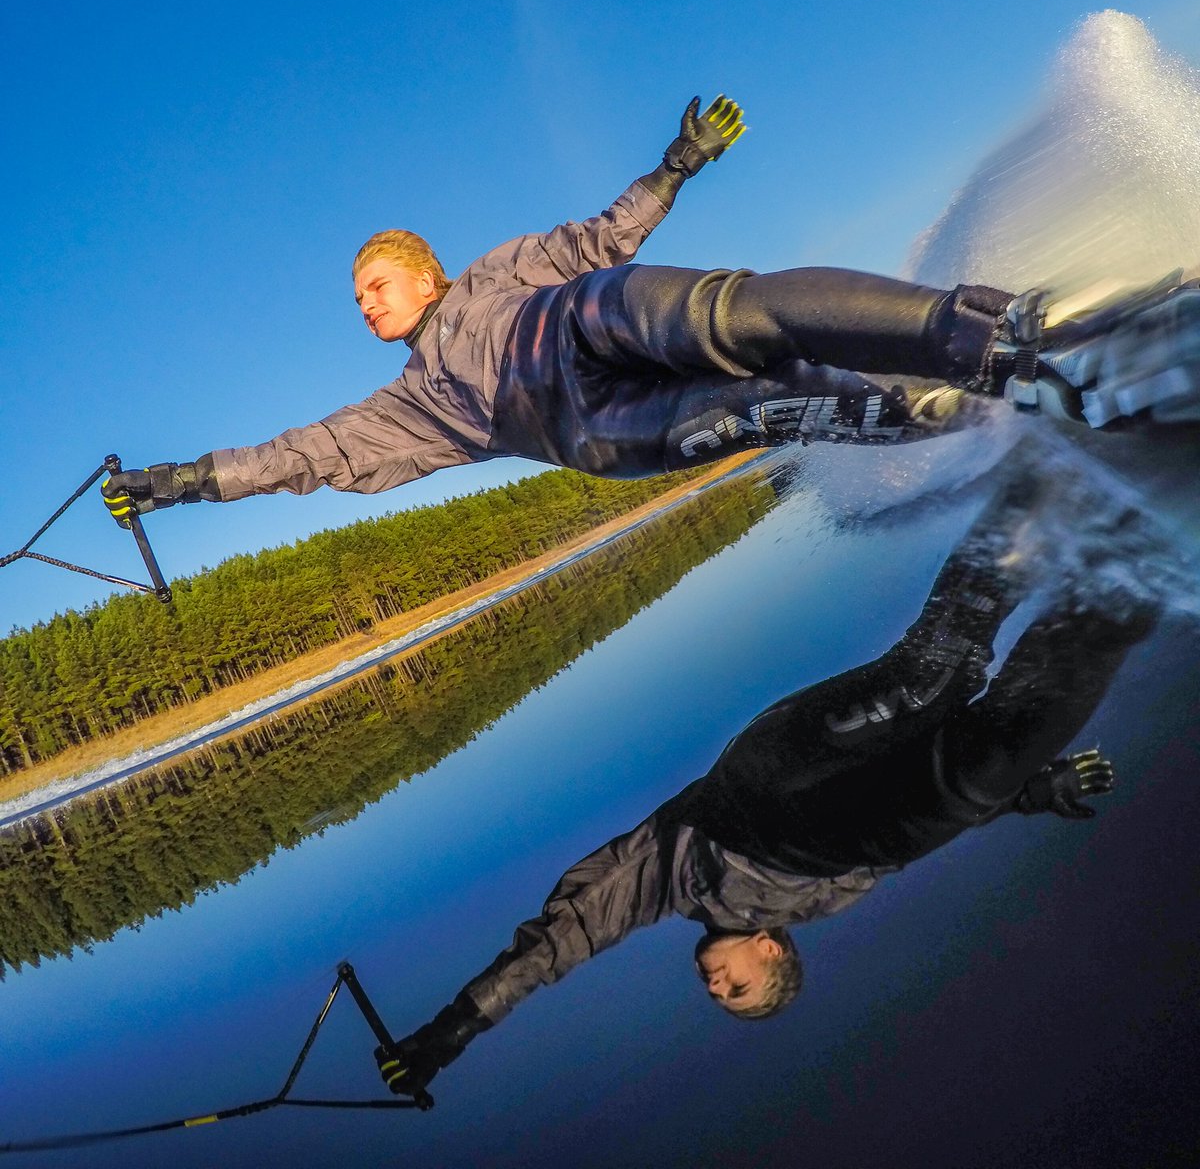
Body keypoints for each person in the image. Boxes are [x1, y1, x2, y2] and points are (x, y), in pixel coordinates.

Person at [368, 462, 1159, 1099]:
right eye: (737, 993)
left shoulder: (664, 881)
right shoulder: (828, 901)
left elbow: (555, 945)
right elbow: (922, 817)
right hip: (865, 837)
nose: (716, 991)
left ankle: (1050, 471)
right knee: (994, 760)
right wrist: (1028, 793)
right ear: (771, 953)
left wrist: (450, 1035)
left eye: (721, 997)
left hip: (760, 795)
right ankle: (1138, 553)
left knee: (927, 681)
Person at [99, 94, 1195, 528]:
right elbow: (304, 454)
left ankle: (999, 336)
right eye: (357, 301)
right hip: (599, 433)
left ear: (424, 275)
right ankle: (993, 416)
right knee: (792, 402)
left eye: (372, 287)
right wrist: (191, 480)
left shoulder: (496, 273)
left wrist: (677, 165)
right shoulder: (412, 411)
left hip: (591, 318)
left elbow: (598, 242)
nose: (364, 309)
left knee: (747, 315)